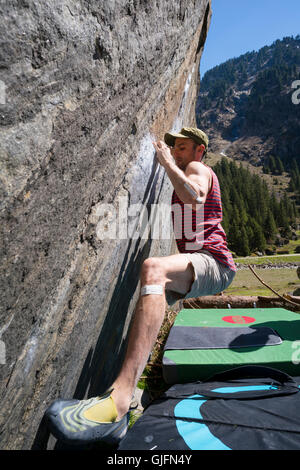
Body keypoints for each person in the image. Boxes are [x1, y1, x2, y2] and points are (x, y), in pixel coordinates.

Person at [45, 127, 236, 446]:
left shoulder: (198, 168)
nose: (177, 152)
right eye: (174, 148)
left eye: (184, 148)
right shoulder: (184, 167)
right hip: (202, 260)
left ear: (199, 150)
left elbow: (196, 195)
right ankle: (134, 403)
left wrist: (165, 162)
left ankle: (118, 401)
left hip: (214, 259)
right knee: (151, 300)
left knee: (153, 269)